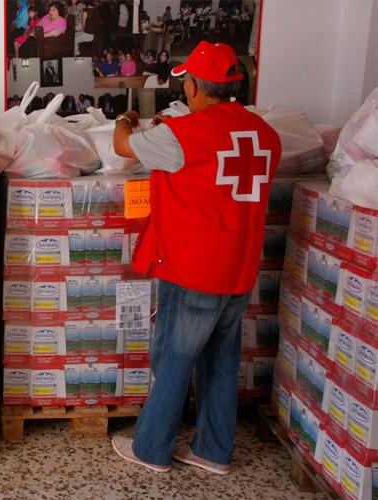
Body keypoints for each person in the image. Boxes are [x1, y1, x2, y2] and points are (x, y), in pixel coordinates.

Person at [110, 41, 282, 475]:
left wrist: (126, 117)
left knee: (173, 358)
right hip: (240, 270)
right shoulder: (266, 134)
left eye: (186, 82)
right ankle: (213, 450)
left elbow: (123, 147)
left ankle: (150, 448)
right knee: (222, 360)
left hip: (193, 268)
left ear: (193, 87)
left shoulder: (186, 134)